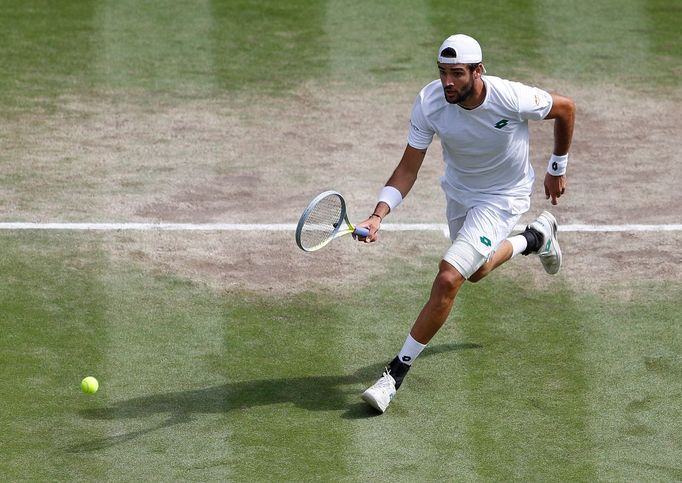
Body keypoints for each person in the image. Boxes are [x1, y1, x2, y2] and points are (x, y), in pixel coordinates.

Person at [356, 34, 576, 413]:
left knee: (448, 277)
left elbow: (566, 108)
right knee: (474, 272)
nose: (447, 82)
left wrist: (557, 167)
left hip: (503, 197)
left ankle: (393, 374)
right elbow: (408, 168)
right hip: (459, 193)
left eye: (457, 73)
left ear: (478, 71)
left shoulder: (511, 97)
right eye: (442, 72)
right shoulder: (430, 102)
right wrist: (379, 214)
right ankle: (535, 238)